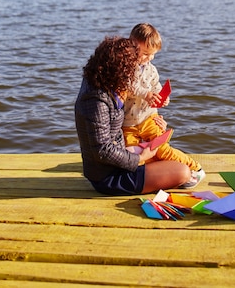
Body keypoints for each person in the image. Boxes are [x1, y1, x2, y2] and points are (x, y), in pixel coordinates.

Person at [75, 36, 191, 196]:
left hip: (122, 155)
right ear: (118, 70)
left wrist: (153, 120)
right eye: (130, 71)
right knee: (182, 172)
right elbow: (102, 150)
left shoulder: (102, 82)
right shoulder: (96, 100)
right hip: (109, 177)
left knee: (168, 157)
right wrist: (139, 158)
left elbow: (123, 123)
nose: (132, 77)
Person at [123, 23, 205, 188]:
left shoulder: (151, 69)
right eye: (145, 54)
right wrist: (146, 94)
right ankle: (162, 173)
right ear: (132, 46)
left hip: (148, 117)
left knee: (161, 148)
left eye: (152, 54)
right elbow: (129, 85)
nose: (149, 58)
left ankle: (194, 167)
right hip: (128, 124)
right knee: (132, 156)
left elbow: (156, 87)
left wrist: (162, 97)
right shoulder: (125, 68)